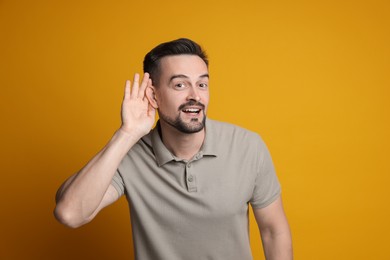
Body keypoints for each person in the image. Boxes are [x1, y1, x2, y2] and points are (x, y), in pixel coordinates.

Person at [54, 38, 293, 260]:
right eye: (180, 85)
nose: (195, 96)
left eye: (202, 84)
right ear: (154, 96)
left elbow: (274, 231)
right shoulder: (129, 155)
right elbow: (70, 214)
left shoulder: (248, 146)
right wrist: (127, 133)